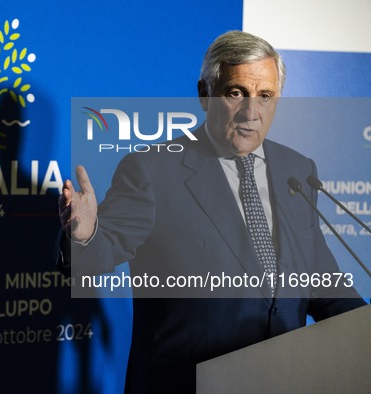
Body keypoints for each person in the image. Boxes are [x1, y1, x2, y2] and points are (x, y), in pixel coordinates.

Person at [57, 31, 366, 392]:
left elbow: (320, 281)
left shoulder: (296, 170)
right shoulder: (153, 170)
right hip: (188, 383)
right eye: (236, 93)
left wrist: (365, 328)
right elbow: (101, 250)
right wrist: (84, 235)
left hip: (283, 378)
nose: (252, 112)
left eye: (265, 96)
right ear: (205, 94)